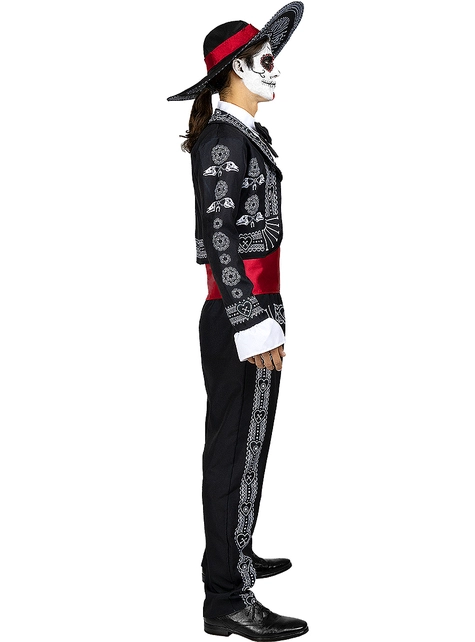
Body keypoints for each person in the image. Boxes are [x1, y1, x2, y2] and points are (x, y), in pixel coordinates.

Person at [167, 3, 308, 639]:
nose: (274, 68)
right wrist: (251, 319)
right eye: (263, 58)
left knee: (250, 444)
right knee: (232, 452)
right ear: (233, 70)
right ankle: (225, 595)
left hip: (254, 304)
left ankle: (236, 551)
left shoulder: (244, 133)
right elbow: (217, 238)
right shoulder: (223, 140)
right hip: (238, 310)